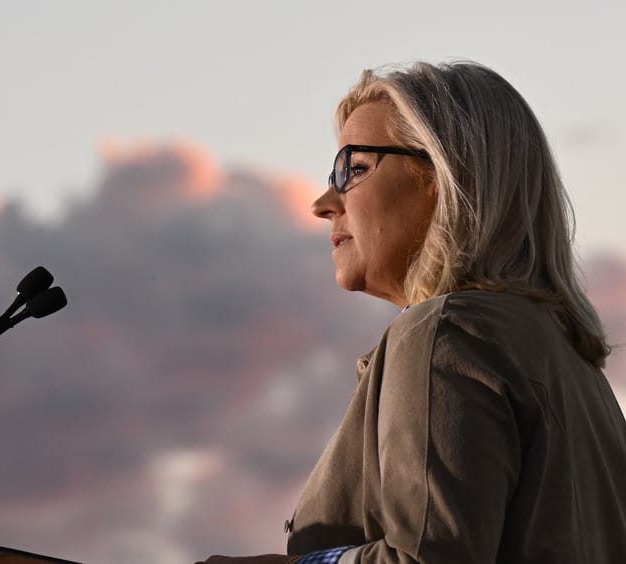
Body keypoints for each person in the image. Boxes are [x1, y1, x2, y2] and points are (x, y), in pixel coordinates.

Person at [196, 61, 626, 563]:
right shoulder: (574, 366)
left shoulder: (445, 333)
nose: (323, 202)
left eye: (354, 169)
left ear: (445, 175)